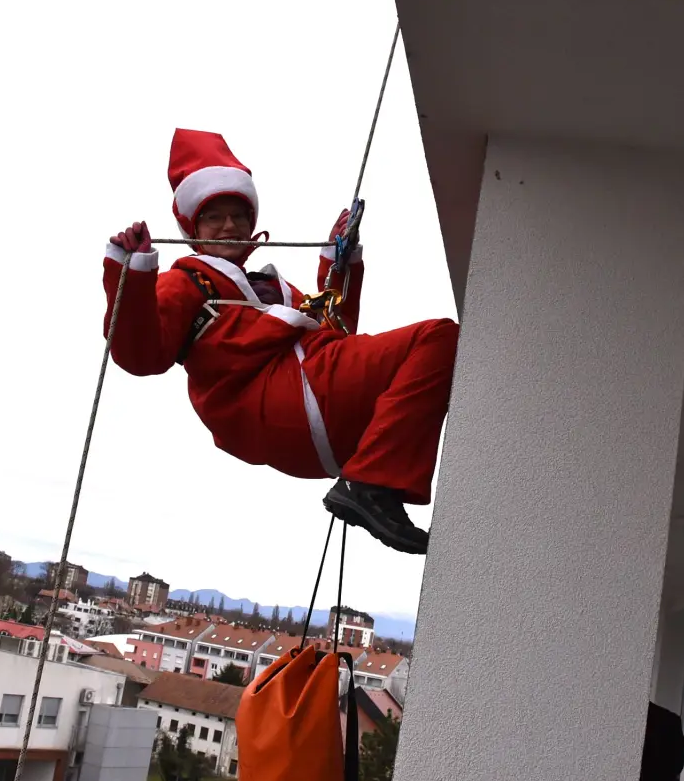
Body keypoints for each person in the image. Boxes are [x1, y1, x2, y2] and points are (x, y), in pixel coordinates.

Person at [103, 128, 459, 555]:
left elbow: (338, 333)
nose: (230, 225)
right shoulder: (187, 282)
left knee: (436, 356)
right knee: (439, 339)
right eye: (215, 217)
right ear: (194, 229)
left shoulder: (276, 289)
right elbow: (140, 356)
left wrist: (339, 262)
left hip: (313, 419)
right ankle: (373, 483)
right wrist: (132, 275)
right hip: (282, 402)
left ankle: (374, 480)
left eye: (239, 216)